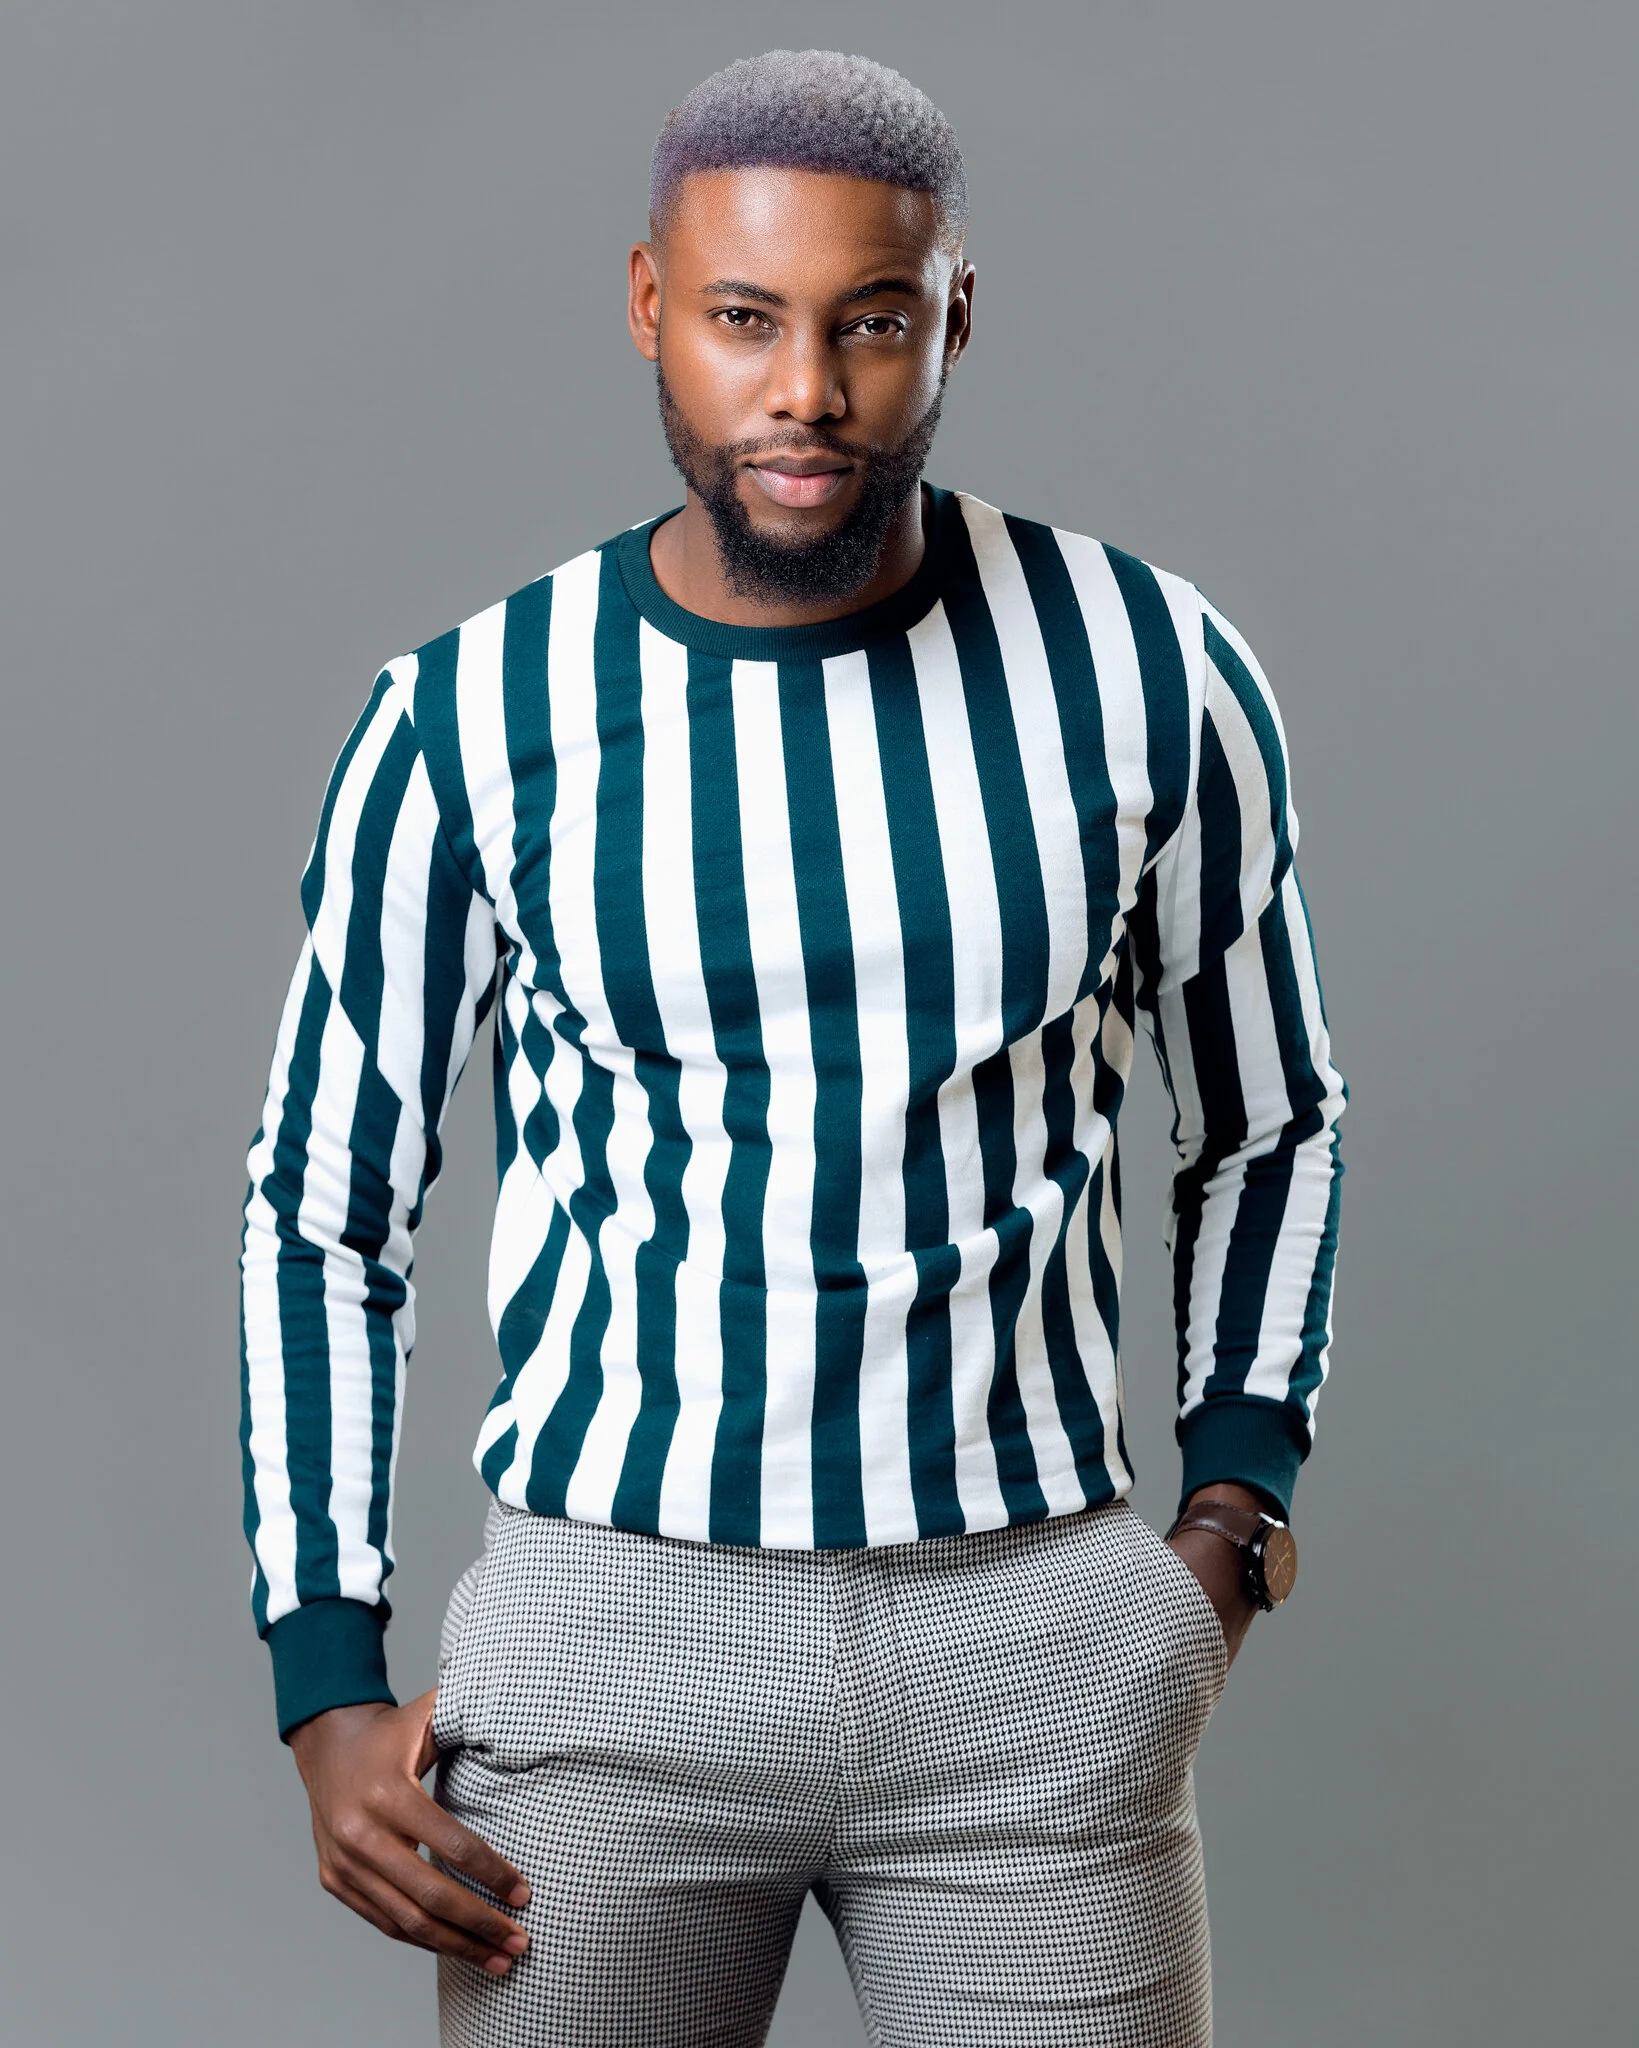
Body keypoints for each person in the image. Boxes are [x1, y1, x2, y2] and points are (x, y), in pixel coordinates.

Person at [240, 48, 1345, 2048]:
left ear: (954, 319)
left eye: (870, 321)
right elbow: (326, 1204)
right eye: (747, 318)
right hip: (610, 1653)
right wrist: (326, 1676)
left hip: (1036, 1649)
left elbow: (1271, 1119)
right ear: (654, 303)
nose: (807, 392)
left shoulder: (1150, 669)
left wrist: (1228, 1529)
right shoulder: (471, 717)